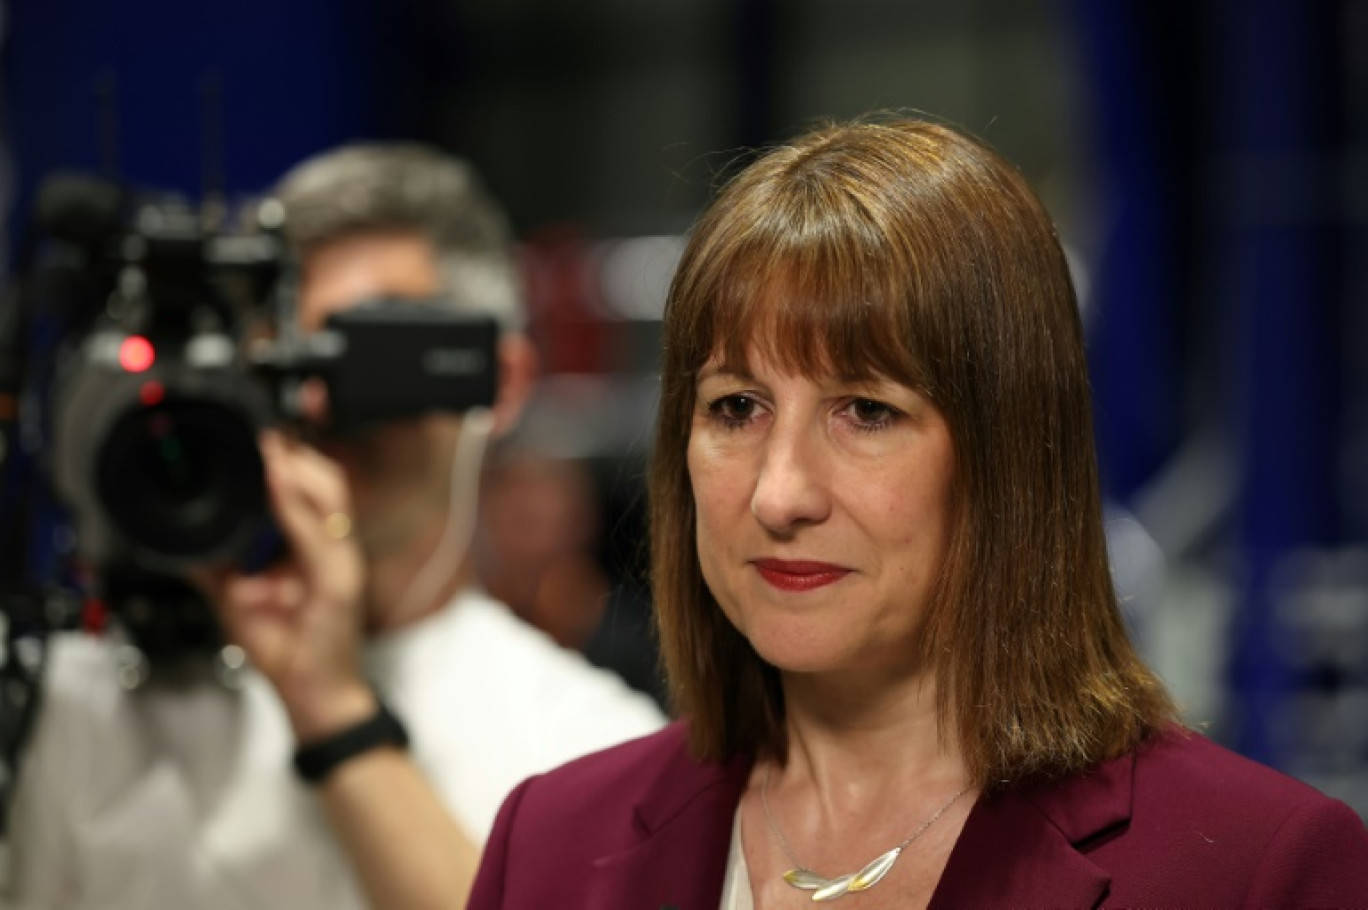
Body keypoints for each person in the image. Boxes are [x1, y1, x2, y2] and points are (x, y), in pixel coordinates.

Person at [465, 118, 1368, 908]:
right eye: (736, 407)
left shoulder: (1256, 873)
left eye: (867, 411)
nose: (781, 494)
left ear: (1009, 457)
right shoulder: (549, 843)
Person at [3, 144, 664, 910]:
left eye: (368, 349)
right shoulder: (83, 707)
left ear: (499, 380)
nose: (316, 398)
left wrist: (333, 706)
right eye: (284, 352)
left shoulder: (594, 751)